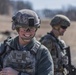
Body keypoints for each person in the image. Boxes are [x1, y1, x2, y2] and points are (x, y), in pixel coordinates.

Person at [0, 9, 54, 75]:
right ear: (17, 29)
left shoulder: (42, 52)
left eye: (31, 28)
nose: (28, 32)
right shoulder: (3, 48)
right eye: (24, 28)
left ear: (36, 29)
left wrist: (17, 74)